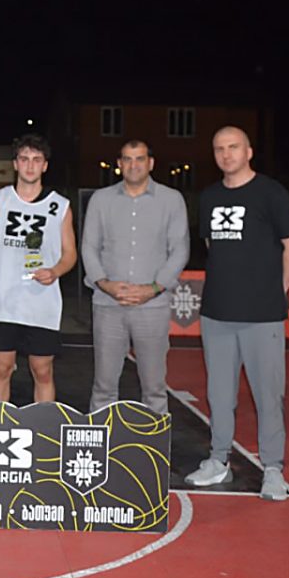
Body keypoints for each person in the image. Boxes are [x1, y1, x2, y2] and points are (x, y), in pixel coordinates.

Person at [185, 126, 289, 502]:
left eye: (233, 147)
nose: (226, 154)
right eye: (219, 148)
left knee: (268, 395)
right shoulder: (209, 196)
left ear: (249, 152)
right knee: (219, 395)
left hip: (261, 316)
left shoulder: (270, 192)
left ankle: (273, 469)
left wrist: (276, 290)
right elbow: (213, 245)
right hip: (217, 313)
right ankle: (218, 460)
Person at [82, 139, 189, 414]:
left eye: (139, 158)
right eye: (127, 159)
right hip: (108, 305)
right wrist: (105, 284)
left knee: (154, 387)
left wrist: (152, 288)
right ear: (119, 164)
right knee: (103, 386)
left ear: (150, 163)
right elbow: (89, 247)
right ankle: (101, 438)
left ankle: (153, 440)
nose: (133, 165)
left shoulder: (171, 200)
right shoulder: (101, 200)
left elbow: (180, 250)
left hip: (152, 307)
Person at [0, 134, 76, 404]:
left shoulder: (60, 206)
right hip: (3, 302)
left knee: (42, 371)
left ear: (45, 165)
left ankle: (43, 425)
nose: (30, 165)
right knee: (1, 368)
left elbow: (70, 254)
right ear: (15, 164)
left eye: (36, 159)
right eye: (24, 159)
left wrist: (55, 271)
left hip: (41, 303)